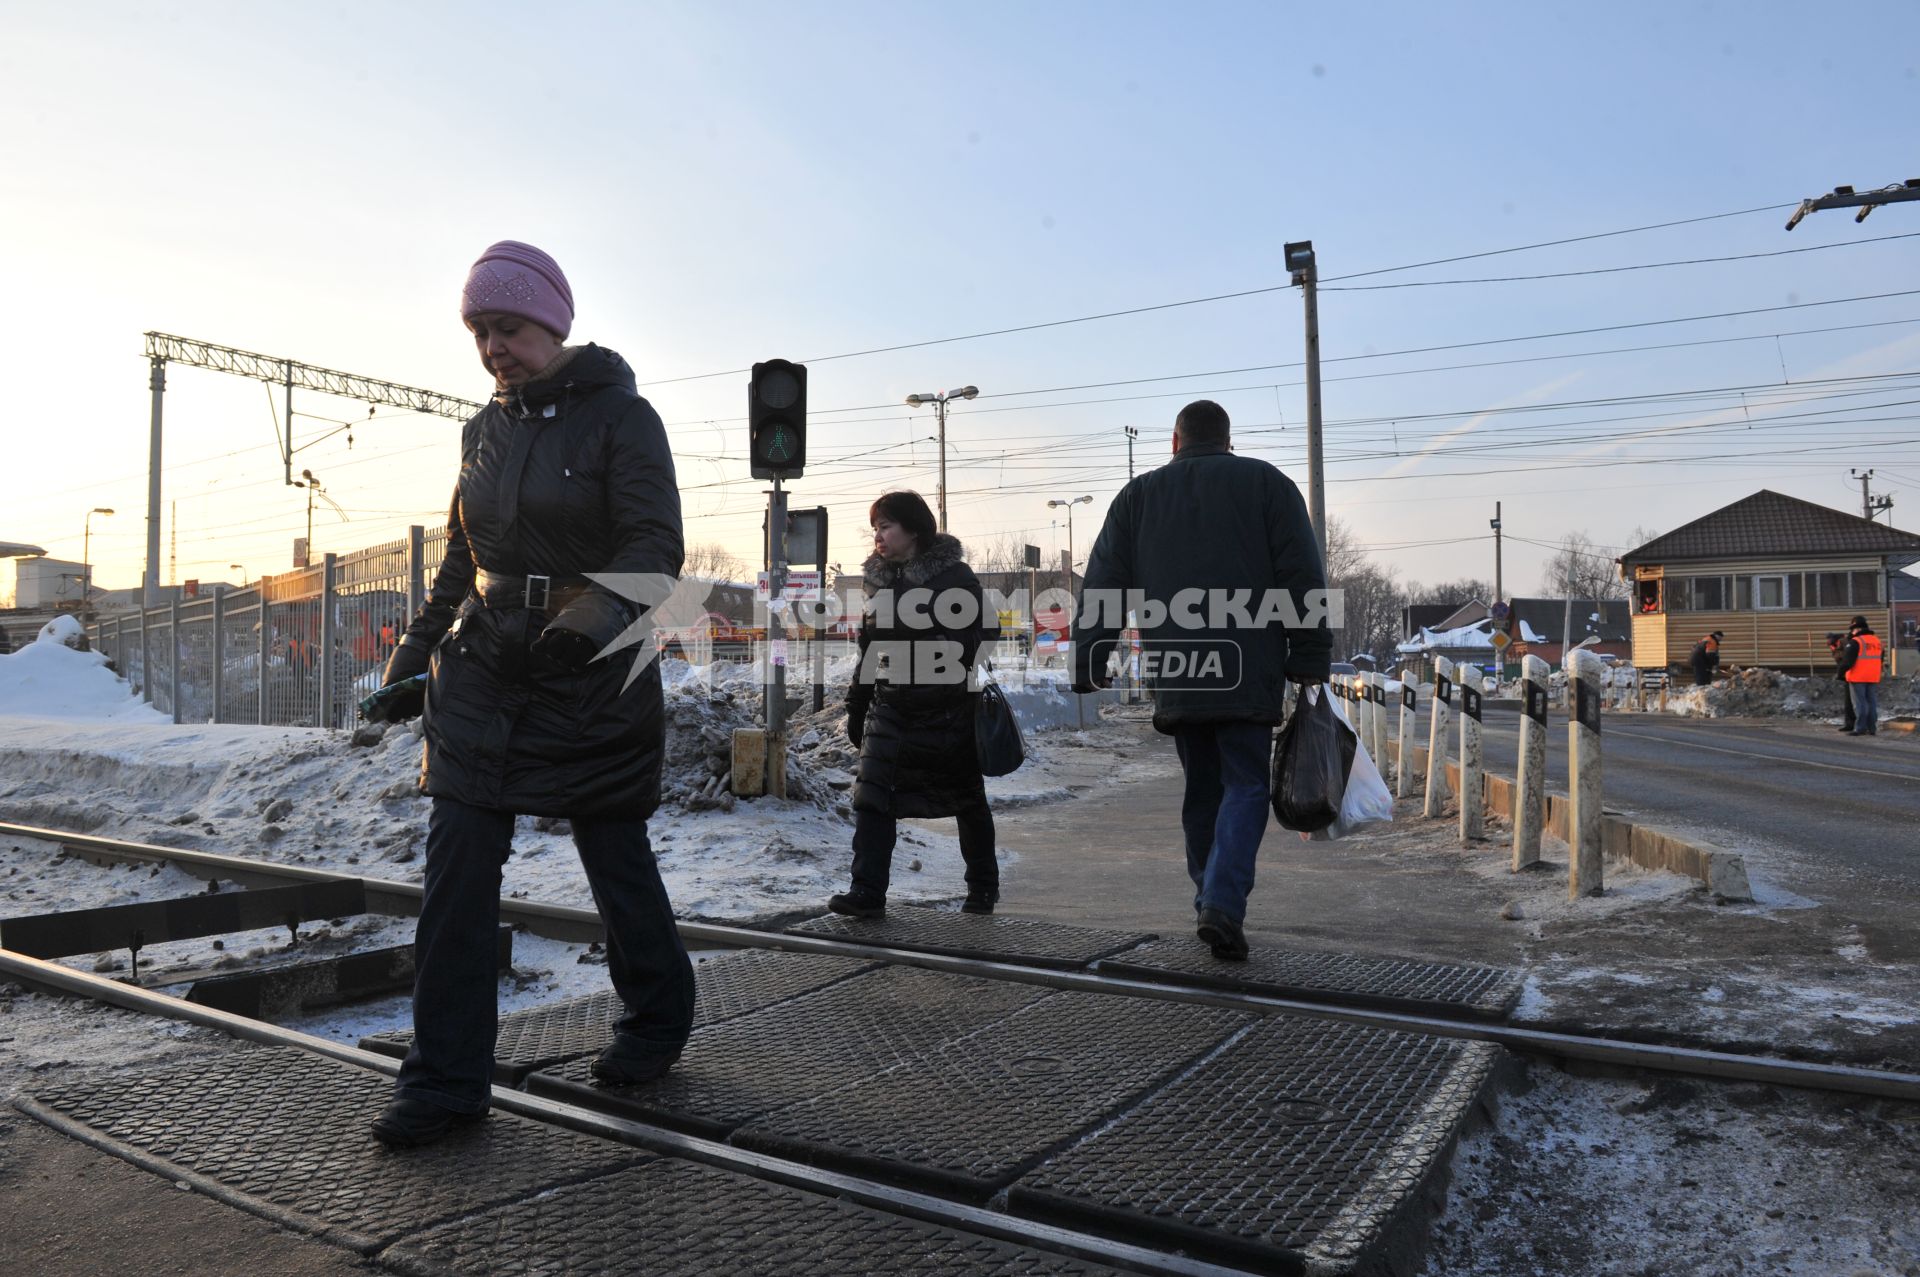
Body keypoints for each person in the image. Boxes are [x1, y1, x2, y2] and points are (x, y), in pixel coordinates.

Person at [367, 240, 693, 1147]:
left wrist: (578, 632)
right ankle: (443, 1082)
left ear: (552, 321)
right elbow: (461, 564)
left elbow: (651, 552)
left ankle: (657, 1016)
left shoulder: (625, 420)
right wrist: (410, 660)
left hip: (589, 675)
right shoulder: (485, 431)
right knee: (456, 872)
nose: (491, 347)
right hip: (483, 674)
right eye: (477, 331)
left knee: (615, 858)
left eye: (505, 326)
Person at [1070, 400, 1330, 962]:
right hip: (1249, 666)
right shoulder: (1268, 485)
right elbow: (1302, 577)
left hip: (1179, 670)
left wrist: (1090, 655)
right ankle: (1222, 902)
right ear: (1228, 439)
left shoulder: (1138, 497)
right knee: (1245, 785)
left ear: (1174, 441)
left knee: (1202, 790)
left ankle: (1208, 900)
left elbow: (1105, 582)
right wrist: (1310, 653)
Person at [832, 491, 999, 918]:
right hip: (891, 706)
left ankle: (982, 887)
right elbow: (868, 649)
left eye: (885, 526)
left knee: (966, 798)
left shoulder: (954, 576)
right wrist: (857, 705)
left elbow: (985, 634)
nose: (878, 537)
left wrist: (940, 643)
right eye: (875, 529)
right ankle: (867, 892)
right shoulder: (879, 582)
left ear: (914, 528)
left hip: (946, 708)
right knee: (872, 797)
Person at [1839, 614, 1882, 737]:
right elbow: (1880, 659)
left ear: (1857, 629)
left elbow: (1847, 662)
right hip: (1873, 676)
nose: (1851, 632)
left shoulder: (1856, 642)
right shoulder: (1877, 641)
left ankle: (1860, 728)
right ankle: (1872, 728)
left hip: (1858, 676)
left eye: (1852, 630)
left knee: (1860, 704)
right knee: (1871, 703)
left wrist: (1840, 674)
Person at [1826, 632, 1856, 734]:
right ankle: (1850, 723)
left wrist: (1841, 673)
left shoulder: (1845, 644)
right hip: (1846, 674)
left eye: (1829, 639)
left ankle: (1853, 724)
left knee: (1853, 701)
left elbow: (1846, 660)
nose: (1827, 642)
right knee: (1849, 701)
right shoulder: (1835, 646)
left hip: (1851, 674)